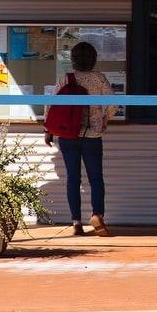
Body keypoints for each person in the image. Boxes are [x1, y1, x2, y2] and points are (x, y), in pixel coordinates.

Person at [46, 40, 117, 236]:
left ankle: (76, 222)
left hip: (68, 134)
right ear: (93, 59)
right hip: (92, 134)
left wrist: (49, 129)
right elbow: (113, 102)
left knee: (72, 179)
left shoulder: (66, 78)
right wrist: (104, 119)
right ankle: (97, 214)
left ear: (73, 60)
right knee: (96, 178)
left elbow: (50, 104)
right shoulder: (99, 79)